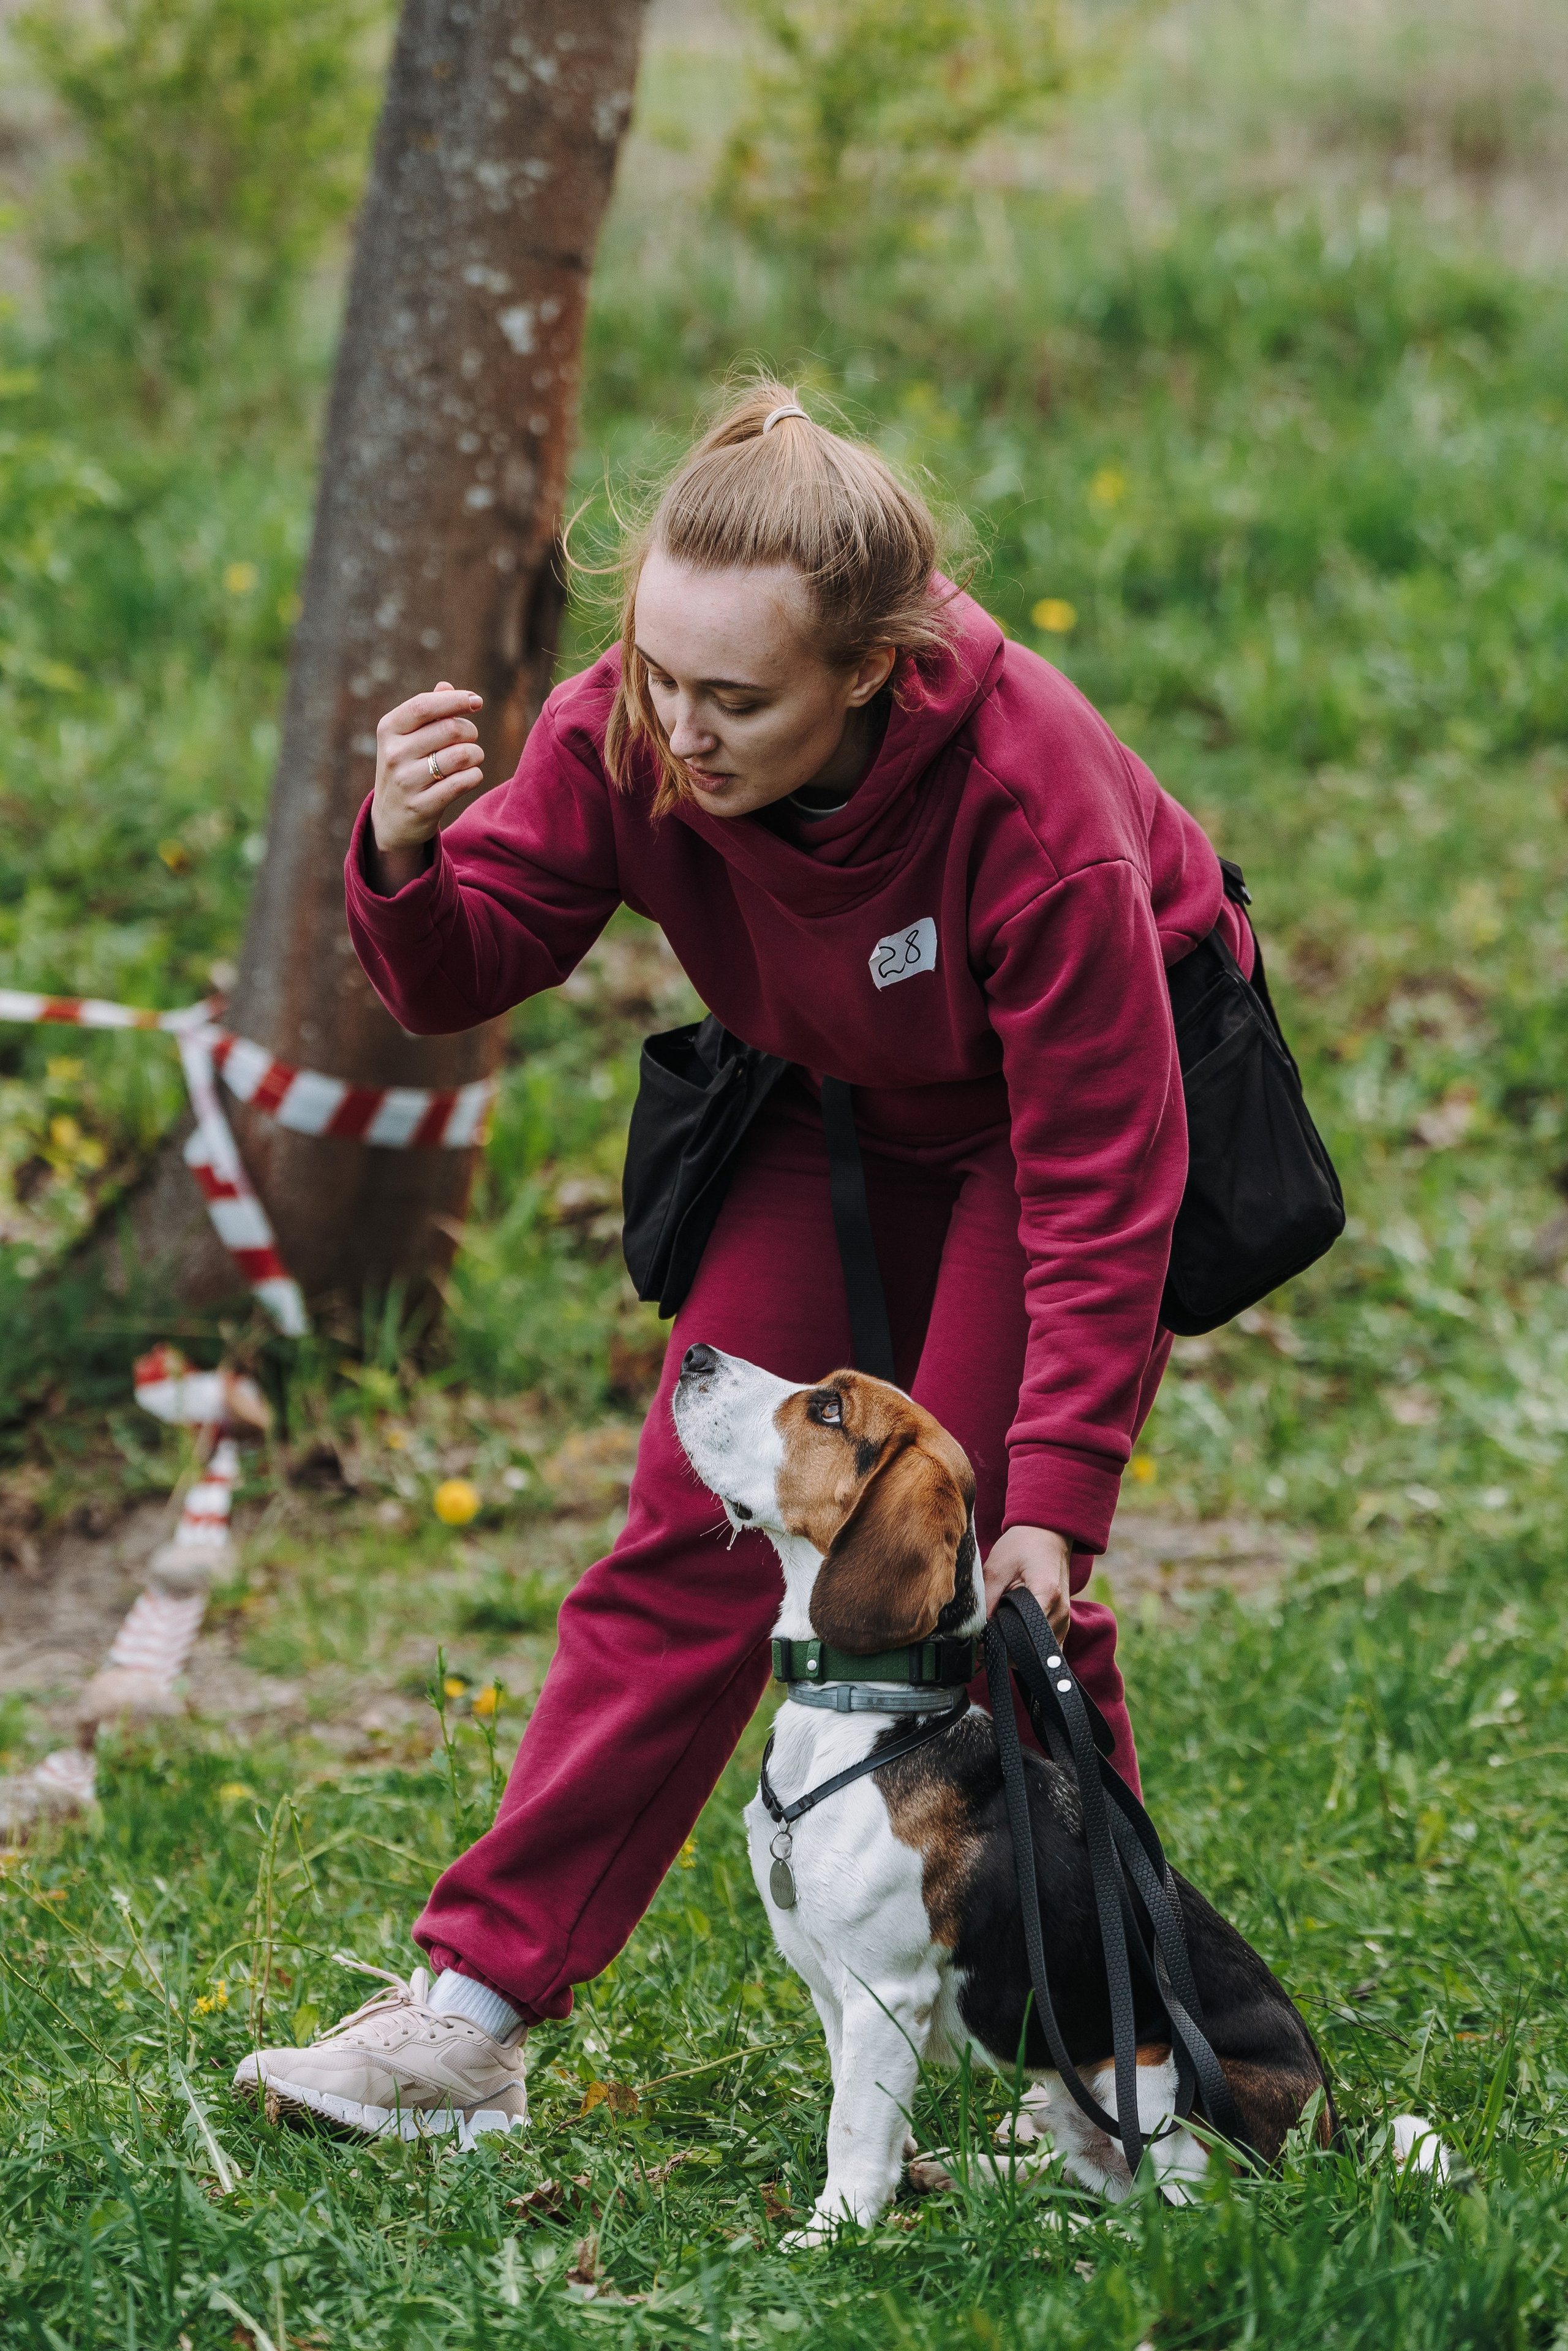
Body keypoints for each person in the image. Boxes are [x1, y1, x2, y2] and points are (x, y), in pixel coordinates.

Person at [234, 384, 1253, 2146]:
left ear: (867, 673)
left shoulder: (1036, 798)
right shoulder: (629, 724)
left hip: (1036, 1135)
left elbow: (1103, 1177)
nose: (682, 736)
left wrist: (1060, 1492)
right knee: (689, 1533)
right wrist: (404, 854)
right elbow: (472, 961)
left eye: (735, 699)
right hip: (825, 1101)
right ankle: (468, 2021)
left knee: (981, 1586)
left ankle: (1120, 2060)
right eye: (657, 679)